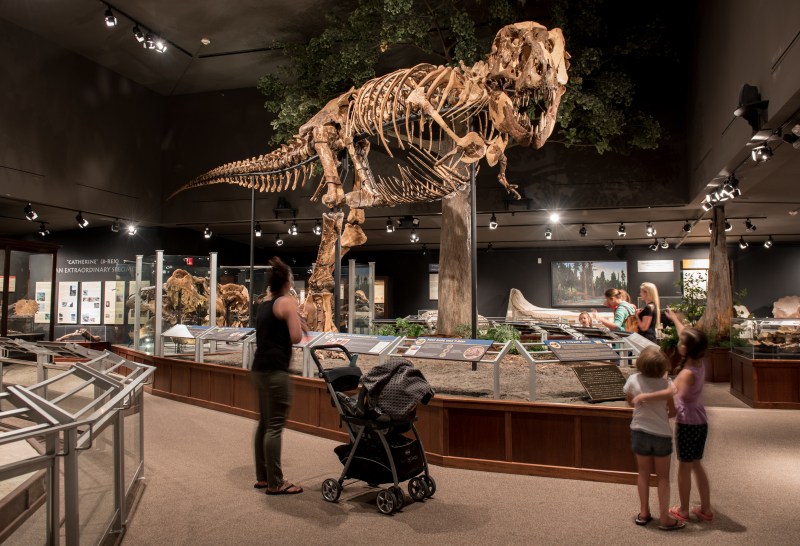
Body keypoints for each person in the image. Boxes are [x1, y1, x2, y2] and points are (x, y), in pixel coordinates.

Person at [634, 309, 714, 523]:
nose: (679, 341)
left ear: (685, 348)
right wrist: (675, 320)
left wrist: (645, 395)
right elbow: (685, 334)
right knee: (697, 463)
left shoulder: (687, 373)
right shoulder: (699, 361)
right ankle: (706, 508)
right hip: (701, 420)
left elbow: (671, 392)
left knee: (684, 467)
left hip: (688, 424)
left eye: (681, 342)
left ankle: (684, 510)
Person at [252, 257, 308, 495]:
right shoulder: (287, 302)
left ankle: (263, 477)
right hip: (276, 371)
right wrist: (298, 321)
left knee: (264, 423)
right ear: (287, 281)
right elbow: (296, 337)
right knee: (275, 426)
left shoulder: (265, 303)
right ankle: (276, 482)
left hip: (259, 368)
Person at [623, 346, 684, 531]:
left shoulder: (633, 379)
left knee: (643, 473)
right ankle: (664, 518)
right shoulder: (665, 384)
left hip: (639, 431)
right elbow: (672, 411)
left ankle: (644, 513)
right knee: (663, 478)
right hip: (661, 434)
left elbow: (630, 402)